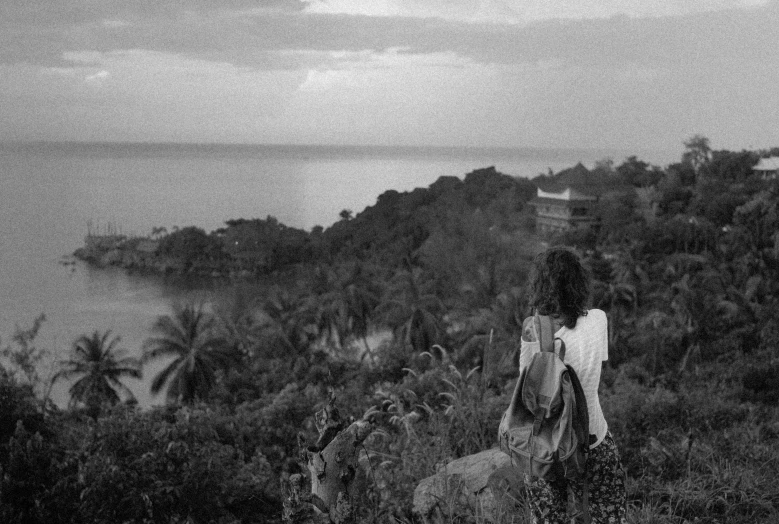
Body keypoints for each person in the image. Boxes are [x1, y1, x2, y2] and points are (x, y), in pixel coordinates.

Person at [520, 247, 627, 524]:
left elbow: (526, 388)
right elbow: (593, 361)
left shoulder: (532, 329)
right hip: (592, 440)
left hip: (546, 447)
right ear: (579, 283)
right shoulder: (598, 320)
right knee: (608, 517)